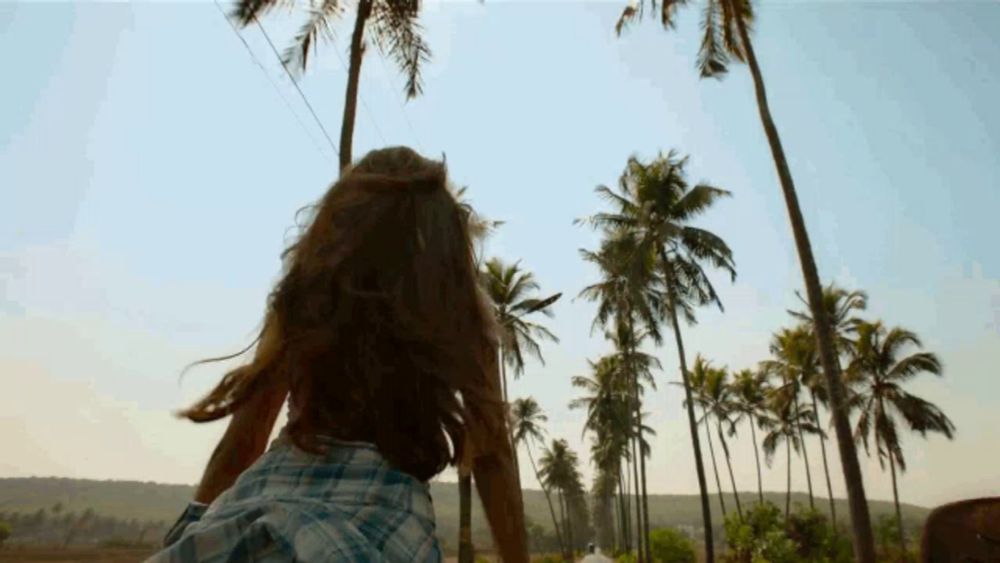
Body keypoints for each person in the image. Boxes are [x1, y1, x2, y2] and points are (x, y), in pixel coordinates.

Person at [146, 147, 527, 562]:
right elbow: (491, 454)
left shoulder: (304, 301)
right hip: (386, 515)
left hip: (265, 498)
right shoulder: (458, 310)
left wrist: (192, 531)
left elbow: (243, 442)